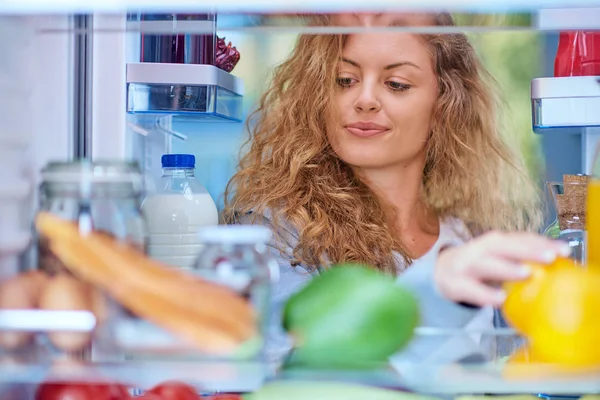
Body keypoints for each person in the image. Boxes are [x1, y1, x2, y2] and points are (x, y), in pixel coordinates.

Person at [223, 12, 571, 364]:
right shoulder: (280, 233)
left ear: (445, 103)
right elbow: (294, 375)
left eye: (397, 84)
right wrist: (433, 290)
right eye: (345, 80)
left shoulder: (468, 236)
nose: (365, 99)